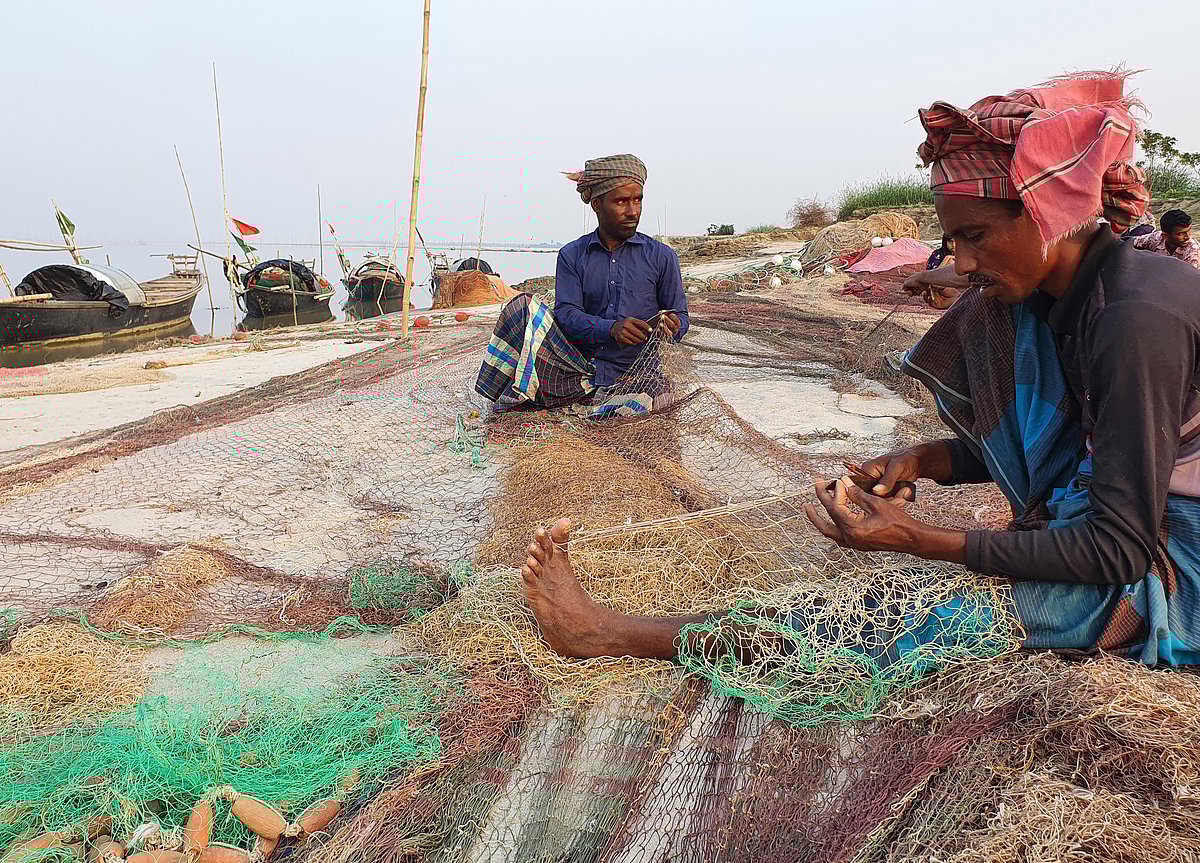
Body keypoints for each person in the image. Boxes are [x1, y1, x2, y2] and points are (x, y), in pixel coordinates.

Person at [520, 71, 1200, 668]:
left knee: (897, 619)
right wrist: (926, 458)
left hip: (1176, 569)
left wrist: (917, 538)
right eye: (951, 240)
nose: (960, 265)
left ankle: (609, 634)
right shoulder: (1067, 301)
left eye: (975, 236)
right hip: (1130, 524)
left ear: (1048, 211)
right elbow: (1096, 446)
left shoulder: (1134, 320)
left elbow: (1117, 551)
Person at [475, 154, 689, 415]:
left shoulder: (662, 257)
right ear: (597, 204)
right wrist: (611, 329)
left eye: (638, 200)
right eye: (621, 201)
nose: (633, 211)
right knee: (521, 308)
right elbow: (566, 315)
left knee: (653, 404)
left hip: (635, 372)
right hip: (576, 369)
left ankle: (594, 406)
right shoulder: (572, 255)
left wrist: (672, 326)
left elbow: (681, 318)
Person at [1131, 209, 1200, 269]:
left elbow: (1187, 277)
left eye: (1189, 230)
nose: (1187, 237)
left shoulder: (1193, 251)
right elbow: (1131, 241)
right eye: (1181, 234)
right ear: (1165, 235)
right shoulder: (1155, 238)